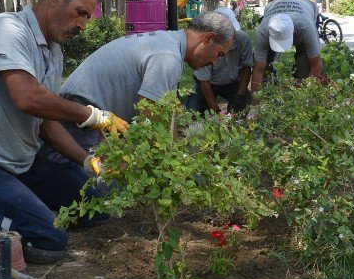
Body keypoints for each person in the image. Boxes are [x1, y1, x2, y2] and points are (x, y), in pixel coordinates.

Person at [0, 0, 129, 263]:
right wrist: (93, 115)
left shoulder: (54, 53)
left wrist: (86, 160)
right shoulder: (6, 28)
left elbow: (45, 121)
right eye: (79, 13)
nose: (82, 25)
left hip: (24, 163)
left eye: (87, 17)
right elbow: (27, 97)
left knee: (97, 203)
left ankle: (16, 204)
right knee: (50, 238)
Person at [40, 11, 236, 168]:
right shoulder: (168, 56)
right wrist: (177, 161)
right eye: (219, 54)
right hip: (78, 118)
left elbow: (164, 114)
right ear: (208, 38)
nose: (214, 62)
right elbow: (150, 116)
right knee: (97, 193)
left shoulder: (169, 43)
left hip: (92, 117)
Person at [184, 8, 254, 114]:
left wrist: (240, 95)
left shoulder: (243, 39)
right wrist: (216, 110)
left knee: (245, 104)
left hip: (233, 83)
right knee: (192, 110)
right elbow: (204, 81)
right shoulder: (205, 46)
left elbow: (247, 68)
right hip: (208, 84)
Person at [250, 0, 323, 95]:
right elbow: (258, 69)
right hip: (273, 6)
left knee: (305, 60)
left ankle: (301, 83)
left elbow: (316, 63)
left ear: (293, 32)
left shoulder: (306, 28)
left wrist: (307, 94)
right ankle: (270, 87)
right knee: (268, 61)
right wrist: (254, 107)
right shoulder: (262, 31)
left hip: (307, 8)